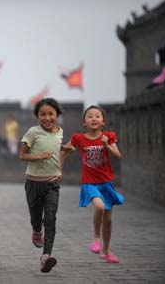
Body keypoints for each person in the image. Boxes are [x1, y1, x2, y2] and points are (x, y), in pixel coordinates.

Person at [62, 105, 123, 263]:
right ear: (84, 122)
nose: (94, 118)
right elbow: (65, 150)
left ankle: (107, 251)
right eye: (90, 116)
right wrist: (58, 169)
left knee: (108, 219)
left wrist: (107, 146)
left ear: (103, 121)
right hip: (89, 183)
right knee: (100, 207)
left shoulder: (108, 136)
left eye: (97, 116)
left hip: (106, 183)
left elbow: (118, 155)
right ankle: (96, 237)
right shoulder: (78, 138)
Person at [19, 98, 69, 273]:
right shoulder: (33, 132)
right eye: (43, 114)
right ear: (37, 116)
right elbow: (23, 155)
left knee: (50, 218)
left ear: (57, 115)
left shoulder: (60, 132)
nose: (47, 118)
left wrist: (62, 161)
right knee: (36, 217)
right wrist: (39, 156)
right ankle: (36, 229)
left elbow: (56, 155)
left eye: (51, 114)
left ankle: (46, 255)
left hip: (52, 184)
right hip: (33, 183)